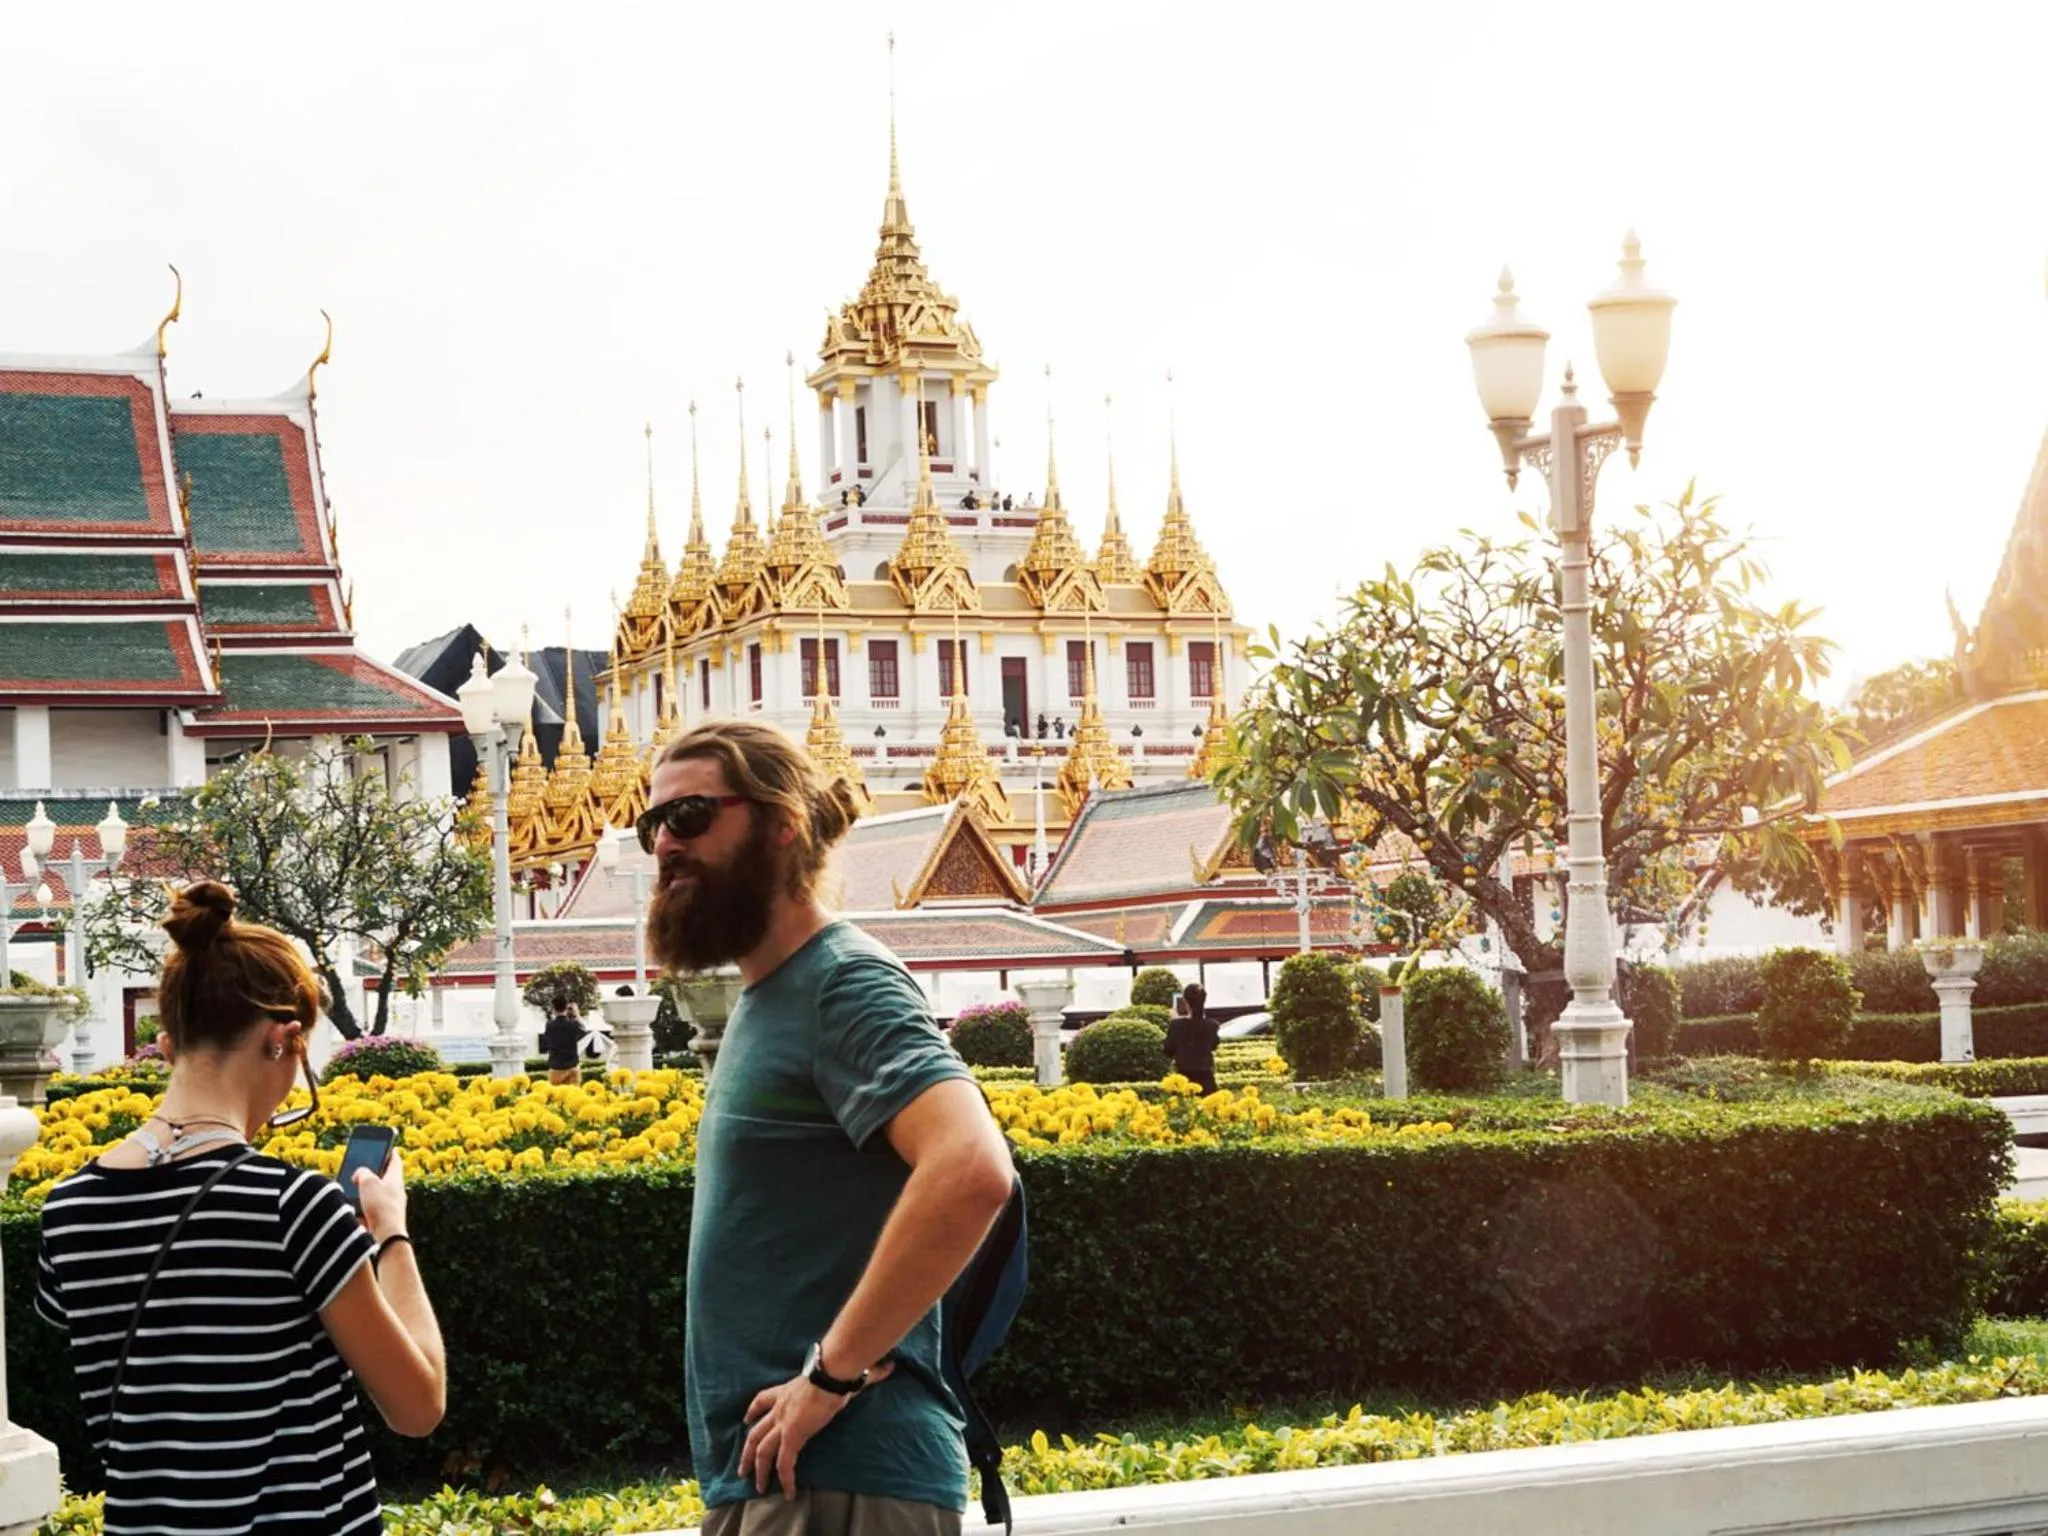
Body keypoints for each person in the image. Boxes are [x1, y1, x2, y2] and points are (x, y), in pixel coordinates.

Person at [636, 720, 1015, 1535]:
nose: (665, 843)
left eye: (690, 815)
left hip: (843, 1478)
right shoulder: (771, 995)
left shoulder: (843, 982)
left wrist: (830, 1377)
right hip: (784, 1476)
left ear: (782, 825)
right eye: (652, 824)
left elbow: (971, 1168)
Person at [34, 880, 445, 1536]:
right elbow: (417, 1406)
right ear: (284, 1040)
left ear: (169, 1046)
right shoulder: (292, 1206)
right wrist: (391, 1233)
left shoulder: (69, 1209)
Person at [1164, 982, 1218, 1094]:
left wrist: (1175, 1021)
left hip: (1183, 1080)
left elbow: (1168, 1050)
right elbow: (1213, 1045)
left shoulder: (1176, 1025)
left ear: (1185, 1001)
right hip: (1207, 1080)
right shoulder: (1212, 1025)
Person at [540, 992, 582, 1085]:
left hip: (556, 1066)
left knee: (556, 1093)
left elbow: (547, 1039)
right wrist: (577, 1013)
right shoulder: (573, 1024)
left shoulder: (550, 1024)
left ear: (553, 1008)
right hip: (572, 1066)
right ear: (566, 1007)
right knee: (573, 1093)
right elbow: (584, 1030)